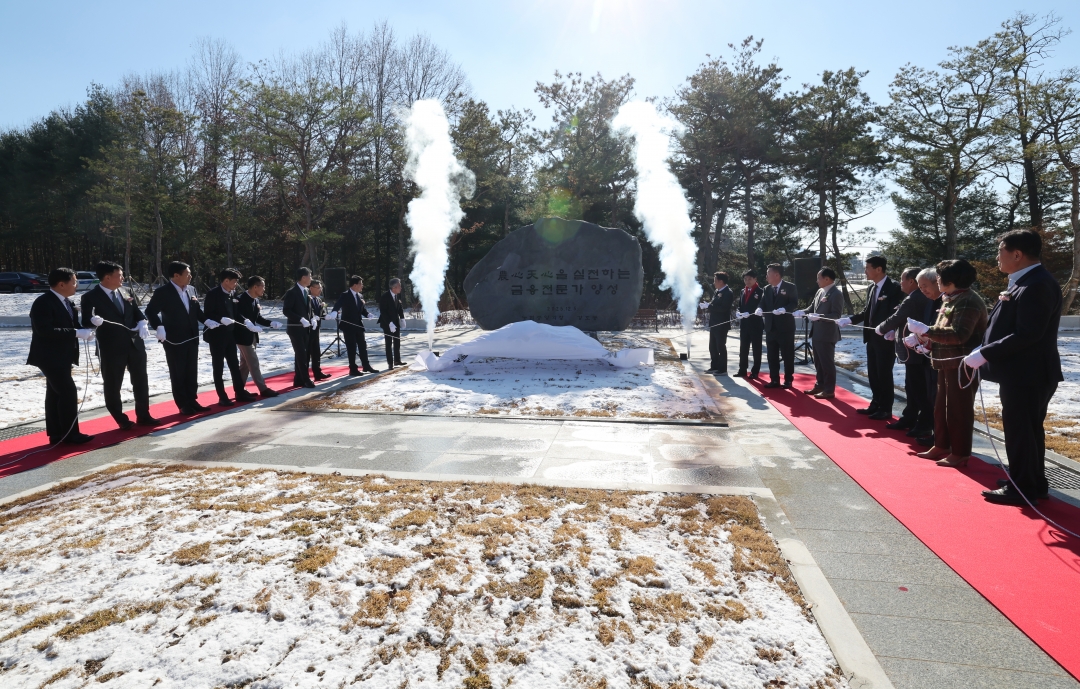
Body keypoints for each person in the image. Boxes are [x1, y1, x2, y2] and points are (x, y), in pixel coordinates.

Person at [967, 230, 1062, 505]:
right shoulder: (1026, 281)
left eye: (1001, 251)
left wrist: (985, 353)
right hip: (1023, 372)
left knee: (1021, 430)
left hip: (1028, 374)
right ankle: (1031, 481)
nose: (997, 257)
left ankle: (1023, 487)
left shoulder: (1036, 284)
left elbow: (1028, 334)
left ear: (1017, 254)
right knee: (1026, 430)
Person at [906, 259, 987, 469]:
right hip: (946, 362)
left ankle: (960, 452)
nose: (937, 281)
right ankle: (942, 444)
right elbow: (941, 330)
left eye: (939, 277)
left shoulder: (968, 300)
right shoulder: (951, 298)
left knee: (959, 410)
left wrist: (926, 331)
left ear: (950, 280)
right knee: (941, 408)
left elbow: (960, 335)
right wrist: (925, 341)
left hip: (962, 364)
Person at [80, 260, 155, 429]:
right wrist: (93, 321)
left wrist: (142, 322)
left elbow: (136, 312)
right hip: (111, 348)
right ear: (107, 277)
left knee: (141, 381)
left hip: (134, 344)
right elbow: (85, 321)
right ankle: (121, 419)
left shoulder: (126, 291)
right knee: (113, 384)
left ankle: (143, 415)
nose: (123, 278)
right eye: (119, 275)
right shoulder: (90, 297)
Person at [27, 267, 95, 444]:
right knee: (67, 392)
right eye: (74, 282)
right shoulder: (43, 302)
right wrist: (76, 333)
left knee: (55, 394)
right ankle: (71, 434)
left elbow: (72, 325)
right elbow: (44, 330)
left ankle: (57, 433)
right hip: (49, 356)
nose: (76, 285)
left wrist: (87, 329)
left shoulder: (68, 302)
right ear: (61, 284)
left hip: (64, 355)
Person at [837, 255, 903, 420]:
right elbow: (867, 311)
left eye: (867, 268)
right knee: (873, 373)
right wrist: (850, 319)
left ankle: (886, 408)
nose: (865, 271)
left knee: (884, 373)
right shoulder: (872, 288)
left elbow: (896, 313)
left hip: (885, 338)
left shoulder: (894, 287)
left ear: (878, 269)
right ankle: (875, 403)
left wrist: (891, 329)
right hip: (872, 337)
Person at [145, 261, 213, 415]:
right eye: (187, 274)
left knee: (191, 371)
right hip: (174, 339)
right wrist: (159, 326)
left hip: (192, 337)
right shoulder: (163, 292)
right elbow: (150, 311)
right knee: (178, 372)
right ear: (176, 275)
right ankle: (183, 403)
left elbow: (196, 311)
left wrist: (207, 321)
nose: (190, 276)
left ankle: (192, 399)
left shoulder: (191, 289)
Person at [877, 267, 934, 437]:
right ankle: (910, 417)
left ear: (911, 281)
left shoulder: (914, 298)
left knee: (918, 388)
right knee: (912, 386)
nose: (900, 282)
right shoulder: (916, 296)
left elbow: (898, 317)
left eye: (903, 279)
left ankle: (923, 423)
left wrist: (881, 328)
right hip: (916, 347)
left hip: (916, 350)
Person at [203, 268, 256, 406]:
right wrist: (220, 319)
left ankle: (239, 392)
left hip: (230, 335)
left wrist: (245, 320)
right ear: (226, 281)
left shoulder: (233, 293)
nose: (236, 284)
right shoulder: (213, 294)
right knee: (218, 366)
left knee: (234, 365)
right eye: (234, 281)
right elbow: (207, 313)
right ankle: (222, 396)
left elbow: (236, 313)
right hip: (216, 336)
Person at [911, 268, 943, 447]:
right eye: (920, 286)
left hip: (943, 357)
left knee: (939, 399)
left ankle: (941, 438)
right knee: (931, 396)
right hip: (928, 355)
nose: (922, 290)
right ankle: (934, 434)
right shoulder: (930, 301)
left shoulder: (946, 301)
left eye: (925, 285)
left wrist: (926, 338)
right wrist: (918, 338)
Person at [235, 275, 282, 398]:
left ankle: (239, 390)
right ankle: (263, 389)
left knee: (245, 365)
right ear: (255, 287)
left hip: (252, 336)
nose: (264, 289)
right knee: (253, 362)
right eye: (263, 286)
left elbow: (258, 318)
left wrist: (271, 323)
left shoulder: (255, 300)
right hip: (242, 337)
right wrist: (247, 323)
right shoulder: (241, 299)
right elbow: (237, 316)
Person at [802, 267, 843, 399]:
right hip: (817, 333)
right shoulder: (820, 291)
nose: (817, 281)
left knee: (827, 364)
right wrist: (802, 312)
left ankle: (829, 390)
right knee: (818, 363)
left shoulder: (836, 294)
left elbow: (836, 315)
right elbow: (812, 308)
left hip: (827, 334)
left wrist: (820, 317)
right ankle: (820, 385)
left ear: (827, 279)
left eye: (819, 278)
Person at [756, 264, 798, 389]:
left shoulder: (790, 287)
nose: (766, 276)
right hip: (771, 327)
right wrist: (759, 309)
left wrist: (784, 309)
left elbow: (794, 303)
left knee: (787, 355)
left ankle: (788, 379)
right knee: (772, 355)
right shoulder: (767, 289)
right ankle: (774, 379)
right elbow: (762, 303)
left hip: (785, 328)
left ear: (776, 275)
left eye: (768, 273)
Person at [332, 275, 378, 376]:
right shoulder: (345, 295)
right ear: (355, 285)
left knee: (363, 346)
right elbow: (338, 304)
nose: (362, 286)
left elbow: (362, 309)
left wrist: (367, 314)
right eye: (361, 284)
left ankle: (366, 365)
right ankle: (353, 369)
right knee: (351, 347)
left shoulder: (360, 296)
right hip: (348, 326)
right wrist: (334, 311)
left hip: (358, 325)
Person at [283, 267, 316, 388]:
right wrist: (300, 319)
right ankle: (306, 379)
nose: (311, 278)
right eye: (310, 276)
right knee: (302, 354)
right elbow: (286, 310)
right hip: (295, 329)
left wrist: (312, 318)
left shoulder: (306, 291)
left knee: (303, 354)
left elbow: (309, 309)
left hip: (305, 328)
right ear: (303, 277)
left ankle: (298, 379)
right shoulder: (292, 292)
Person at [702, 272, 734, 375]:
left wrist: (709, 306)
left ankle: (722, 369)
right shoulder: (717, 291)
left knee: (720, 346)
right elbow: (714, 304)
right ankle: (714, 366)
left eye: (715, 280)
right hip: (714, 323)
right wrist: (707, 305)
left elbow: (723, 308)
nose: (714, 283)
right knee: (712, 347)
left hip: (722, 324)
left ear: (721, 281)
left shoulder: (728, 293)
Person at [734, 271, 764, 379]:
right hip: (744, 324)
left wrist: (751, 313)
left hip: (756, 324)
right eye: (745, 279)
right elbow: (740, 305)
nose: (747, 281)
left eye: (750, 279)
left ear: (755, 279)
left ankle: (755, 371)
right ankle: (742, 369)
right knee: (743, 348)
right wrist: (738, 312)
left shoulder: (761, 291)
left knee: (756, 349)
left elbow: (761, 306)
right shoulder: (743, 291)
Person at [378, 278, 406, 369]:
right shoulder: (385, 297)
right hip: (387, 323)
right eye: (399, 286)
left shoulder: (397, 295)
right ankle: (390, 363)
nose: (401, 288)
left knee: (397, 341)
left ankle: (397, 360)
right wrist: (390, 323)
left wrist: (402, 318)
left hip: (396, 322)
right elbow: (383, 312)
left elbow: (399, 308)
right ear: (394, 287)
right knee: (389, 343)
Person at [308, 280, 331, 381]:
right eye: (318, 288)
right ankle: (305, 375)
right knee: (307, 353)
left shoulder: (318, 300)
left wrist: (325, 316)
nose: (320, 290)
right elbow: (309, 312)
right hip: (308, 329)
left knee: (316, 352)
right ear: (311, 288)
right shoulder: (307, 299)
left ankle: (317, 372)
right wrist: (314, 317)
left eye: (321, 288)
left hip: (316, 329)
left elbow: (321, 313)